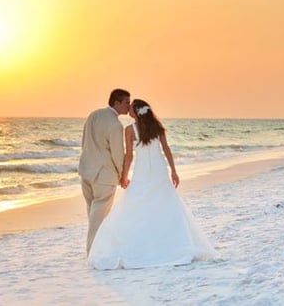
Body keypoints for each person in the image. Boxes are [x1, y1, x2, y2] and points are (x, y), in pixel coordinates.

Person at [88, 99, 219, 269]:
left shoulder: (129, 130)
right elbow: (166, 150)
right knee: (165, 204)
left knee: (137, 204)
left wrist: (124, 176)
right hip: (159, 170)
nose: (129, 111)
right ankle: (168, 244)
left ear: (136, 112)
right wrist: (173, 170)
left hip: (143, 171)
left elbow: (129, 156)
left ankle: (144, 244)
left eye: (131, 109)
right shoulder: (157, 128)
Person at [78, 88, 131, 254]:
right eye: (126, 103)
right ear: (116, 102)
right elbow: (117, 154)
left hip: (85, 170)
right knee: (98, 216)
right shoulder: (115, 125)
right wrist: (123, 176)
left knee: (92, 213)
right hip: (104, 175)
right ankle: (93, 252)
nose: (129, 107)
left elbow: (84, 142)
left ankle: (97, 249)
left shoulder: (93, 115)